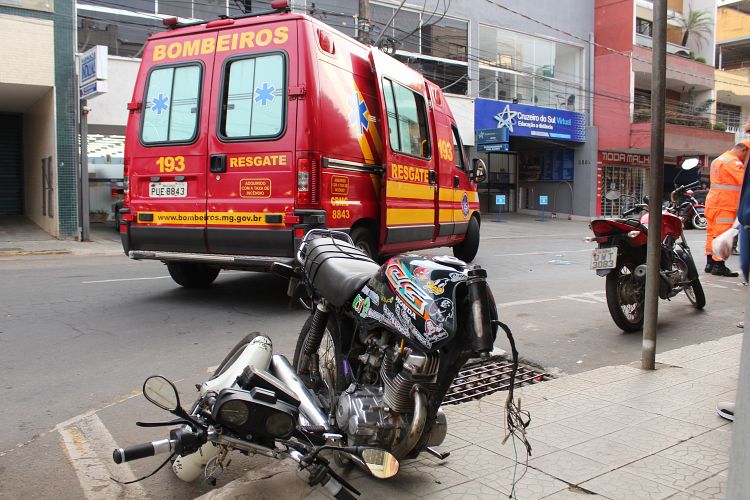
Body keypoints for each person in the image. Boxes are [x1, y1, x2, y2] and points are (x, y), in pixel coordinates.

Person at [704, 141, 749, 277]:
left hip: (713, 202)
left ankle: (710, 263)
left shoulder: (719, 159)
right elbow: (744, 180)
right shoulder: (734, 162)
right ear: (744, 150)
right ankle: (719, 265)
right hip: (724, 204)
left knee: (712, 234)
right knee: (722, 235)